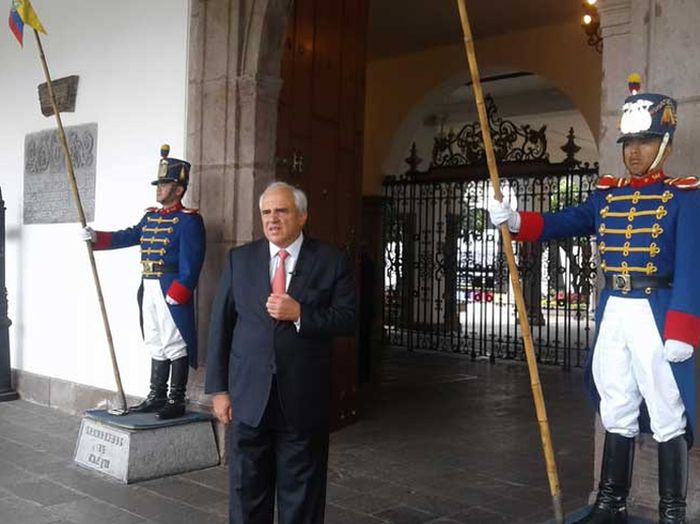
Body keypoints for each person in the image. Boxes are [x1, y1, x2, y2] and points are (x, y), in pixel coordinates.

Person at [489, 81, 699, 524]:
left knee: (666, 409)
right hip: (615, 309)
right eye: (628, 143)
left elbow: (691, 266)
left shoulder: (684, 197)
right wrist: (514, 219)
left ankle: (672, 513)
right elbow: (564, 221)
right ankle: (610, 502)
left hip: (654, 310)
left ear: (664, 143)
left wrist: (683, 328)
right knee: (615, 402)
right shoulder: (607, 194)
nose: (634, 152)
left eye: (644, 141)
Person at [205, 181, 357, 524]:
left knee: (302, 495)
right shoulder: (239, 260)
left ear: (302, 216)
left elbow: (348, 320)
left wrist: (301, 314)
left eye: (282, 210)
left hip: (303, 400)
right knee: (246, 491)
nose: (273, 218)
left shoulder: (331, 261)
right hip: (248, 397)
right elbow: (220, 327)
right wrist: (219, 390)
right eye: (266, 212)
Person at [80, 145, 206, 420]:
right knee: (155, 340)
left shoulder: (189, 221)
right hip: (148, 285)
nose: (159, 188)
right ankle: (156, 395)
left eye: (165, 183)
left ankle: (176, 399)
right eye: (159, 183)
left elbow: (193, 261)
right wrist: (96, 237)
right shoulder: (150, 217)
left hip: (170, 288)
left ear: (179, 189)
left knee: (175, 342)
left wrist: (181, 290)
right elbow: (130, 235)